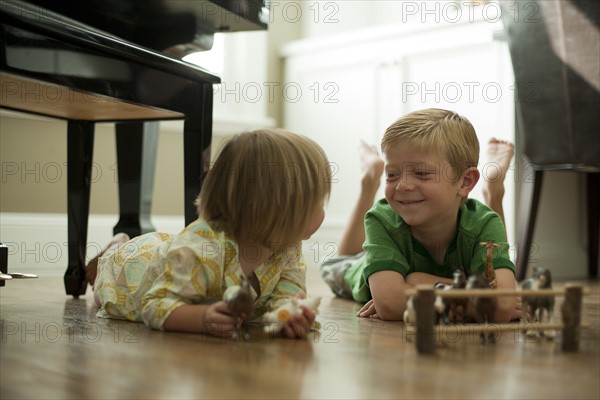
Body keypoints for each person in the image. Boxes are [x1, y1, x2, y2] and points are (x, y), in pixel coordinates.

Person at [87, 129, 331, 339]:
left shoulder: (287, 247)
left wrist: (291, 316)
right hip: (132, 272)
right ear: (275, 208)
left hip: (170, 253)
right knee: (103, 294)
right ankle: (114, 249)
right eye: (318, 201)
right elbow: (154, 305)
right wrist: (201, 317)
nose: (323, 210)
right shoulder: (200, 246)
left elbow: (285, 297)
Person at [321, 108, 520, 323]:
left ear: (465, 182)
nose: (403, 185)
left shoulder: (484, 222)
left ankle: (493, 193)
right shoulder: (382, 219)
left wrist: (420, 282)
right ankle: (370, 179)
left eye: (422, 173)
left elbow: (503, 303)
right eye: (392, 174)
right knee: (338, 263)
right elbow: (389, 303)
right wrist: (474, 300)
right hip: (355, 269)